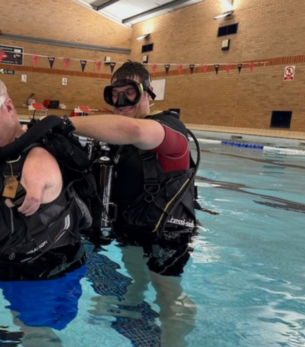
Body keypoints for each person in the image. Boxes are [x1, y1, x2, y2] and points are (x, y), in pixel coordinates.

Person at [0, 75, 91, 335]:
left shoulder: (39, 158)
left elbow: (41, 172)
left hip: (44, 278)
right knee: (18, 324)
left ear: (8, 107)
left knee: (37, 335)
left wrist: (38, 181)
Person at [69, 61, 198, 346]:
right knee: (135, 274)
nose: (120, 101)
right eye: (114, 95)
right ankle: (130, 307)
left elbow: (138, 132)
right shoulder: (119, 140)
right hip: (131, 228)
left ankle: (174, 341)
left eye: (130, 93)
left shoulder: (169, 128)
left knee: (167, 291)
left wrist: (66, 122)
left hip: (166, 233)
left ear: (149, 94)